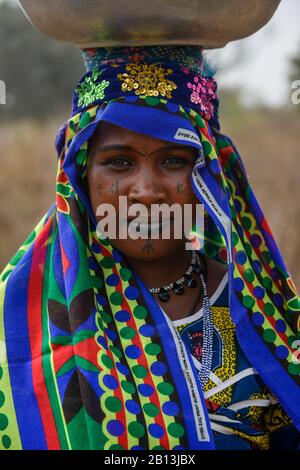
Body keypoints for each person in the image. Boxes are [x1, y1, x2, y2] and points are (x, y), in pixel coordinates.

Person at [0, 46, 299, 451]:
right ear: (81, 178)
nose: (145, 192)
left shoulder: (263, 311)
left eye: (173, 161)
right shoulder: (17, 321)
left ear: (210, 177)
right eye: (119, 163)